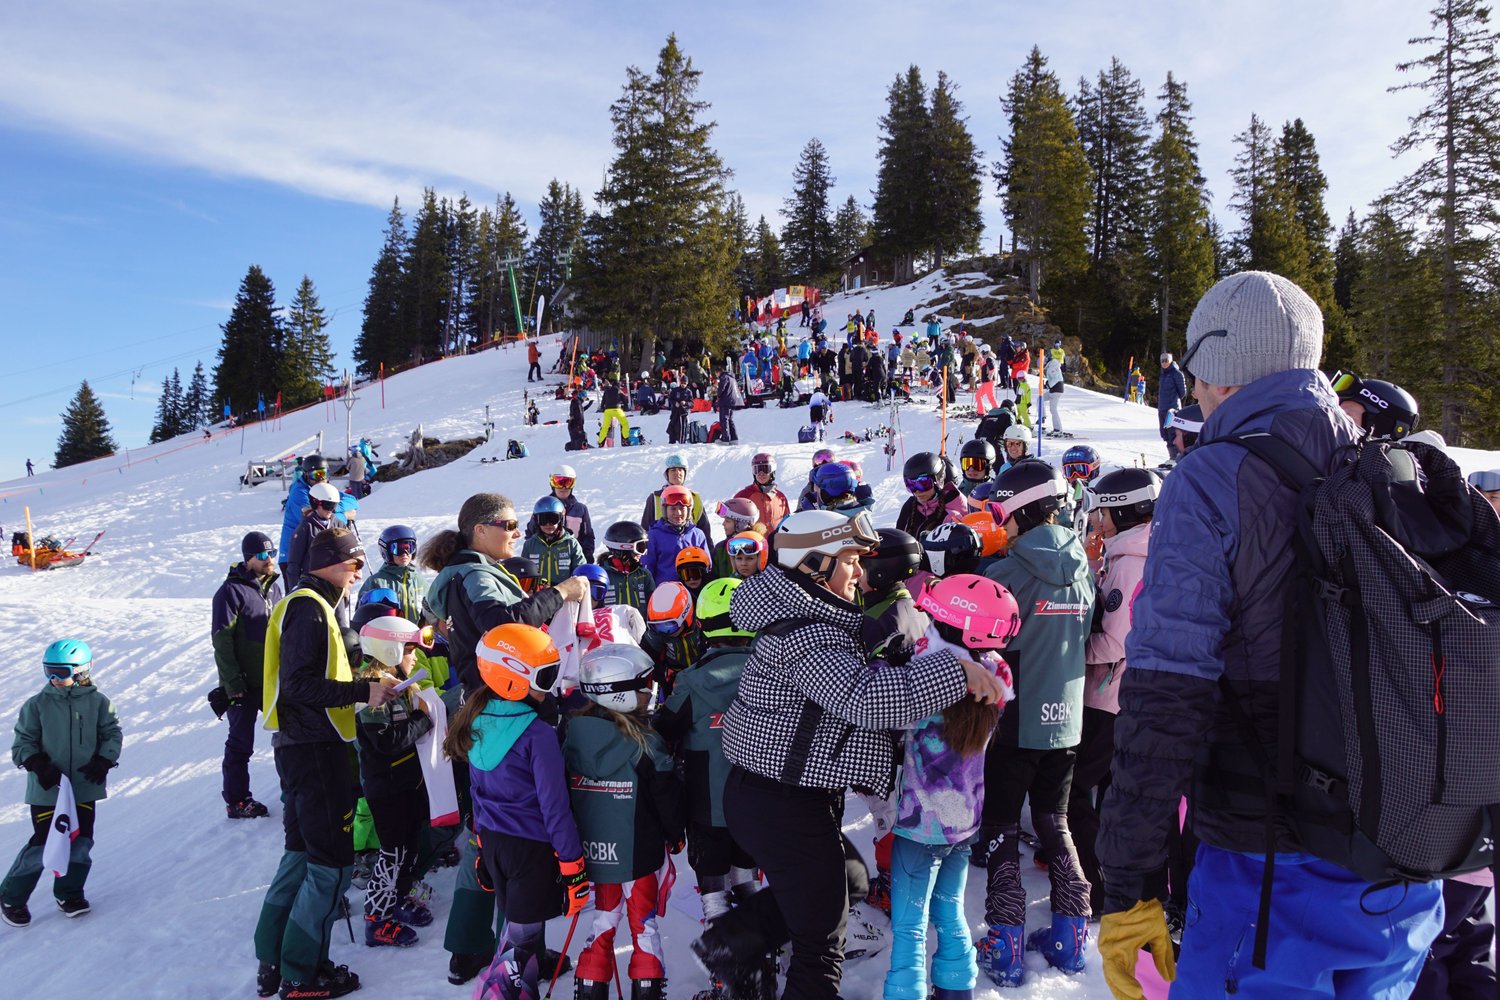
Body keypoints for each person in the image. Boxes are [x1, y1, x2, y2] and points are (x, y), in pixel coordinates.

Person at [1095, 271, 1444, 999]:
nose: (1190, 392)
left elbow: (1165, 697)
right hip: (1402, 872)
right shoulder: (1390, 469)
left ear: (1221, 371)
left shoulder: (1209, 480)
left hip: (1268, 874)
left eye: (1194, 373)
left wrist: (1127, 886)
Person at [692, 510, 1007, 1000]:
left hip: (782, 795)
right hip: (781, 801)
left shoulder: (815, 617)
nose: (861, 573)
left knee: (850, 879)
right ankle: (764, 967)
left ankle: (731, 949)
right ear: (814, 565)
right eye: (851, 562)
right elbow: (864, 698)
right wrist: (956, 673)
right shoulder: (807, 634)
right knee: (821, 941)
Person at [252, 526, 397, 999]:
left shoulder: (310, 605)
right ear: (332, 562)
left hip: (303, 748)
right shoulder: (310, 608)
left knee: (299, 858)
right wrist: (363, 690)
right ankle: (302, 972)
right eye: (354, 564)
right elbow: (298, 684)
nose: (357, 574)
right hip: (317, 750)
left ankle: (274, 959)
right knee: (329, 864)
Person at [976, 460, 1095, 986]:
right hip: (1067, 717)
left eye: (1001, 510)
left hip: (1016, 716)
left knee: (1002, 827)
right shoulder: (1085, 565)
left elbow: (982, 643)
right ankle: (1071, 934)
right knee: (1055, 820)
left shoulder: (1006, 573)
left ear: (1021, 508)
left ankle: (1005, 942)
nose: (1000, 521)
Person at [884, 576, 1019, 1000]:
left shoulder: (927, 671)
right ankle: (957, 992)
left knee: (909, 926)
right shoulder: (996, 670)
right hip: (962, 820)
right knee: (949, 911)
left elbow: (891, 708)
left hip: (919, 822)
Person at [445, 624, 589, 1000]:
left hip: (495, 844)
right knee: (518, 942)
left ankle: (533, 960)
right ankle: (512, 984)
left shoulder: (477, 719)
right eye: (545, 676)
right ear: (513, 679)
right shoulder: (537, 735)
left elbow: (477, 793)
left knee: (522, 917)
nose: (552, 685)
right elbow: (555, 808)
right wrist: (573, 865)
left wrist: (479, 844)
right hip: (531, 848)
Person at [565, 644, 685, 1000]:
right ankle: (647, 989)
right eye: (643, 685)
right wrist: (675, 834)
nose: (650, 691)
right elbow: (667, 801)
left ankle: (589, 986)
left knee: (603, 921)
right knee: (643, 924)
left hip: (592, 853)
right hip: (638, 854)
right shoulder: (646, 743)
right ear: (619, 694)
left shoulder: (570, 734)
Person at [1072, 468, 1158, 915]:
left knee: (1077, 794)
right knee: (1105, 790)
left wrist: (1070, 651)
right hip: (1122, 695)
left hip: (1109, 696)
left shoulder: (1131, 562)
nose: (1096, 517)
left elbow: (1116, 639)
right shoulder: (1132, 551)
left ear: (1124, 510)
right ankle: (1111, 882)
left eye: (1102, 509)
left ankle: (1095, 887)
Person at [1, 640, 121, 928]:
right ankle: (11, 896)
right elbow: (22, 743)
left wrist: (104, 760)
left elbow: (112, 734)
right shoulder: (37, 705)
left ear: (81, 672)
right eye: (48, 672)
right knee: (45, 844)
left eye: (60, 672)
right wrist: (38, 764)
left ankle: (69, 893)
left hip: (83, 787)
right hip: (47, 789)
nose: (53, 679)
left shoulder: (99, 703)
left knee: (80, 842)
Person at [421, 493, 587, 698]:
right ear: (480, 530)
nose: (517, 533)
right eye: (510, 525)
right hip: (499, 694)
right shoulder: (476, 576)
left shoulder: (468, 572)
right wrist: (560, 593)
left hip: (490, 692)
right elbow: (501, 624)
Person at [353, 616, 436, 948]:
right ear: (391, 649)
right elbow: (385, 740)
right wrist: (424, 719)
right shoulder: (372, 691)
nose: (414, 657)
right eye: (410, 650)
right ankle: (376, 920)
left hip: (407, 781)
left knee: (410, 845)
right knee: (392, 851)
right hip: (386, 787)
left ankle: (399, 898)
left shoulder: (399, 683)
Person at [212, 530, 284, 819]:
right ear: (249, 558)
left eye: (273, 553)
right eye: (264, 555)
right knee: (241, 744)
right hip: (241, 684)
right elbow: (221, 640)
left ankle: (293, 788)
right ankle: (237, 800)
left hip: (271, 680)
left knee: (288, 734)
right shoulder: (230, 592)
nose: (270, 560)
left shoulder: (276, 587)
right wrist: (232, 682)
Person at [644, 485, 711, 587]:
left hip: (693, 592)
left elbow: (708, 566)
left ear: (689, 510)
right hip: (665, 592)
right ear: (665, 510)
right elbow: (647, 569)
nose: (678, 513)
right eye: (673, 509)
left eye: (682, 508)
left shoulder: (697, 535)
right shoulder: (654, 535)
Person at [640, 455, 713, 542]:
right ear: (666, 474)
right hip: (662, 550)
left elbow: (705, 532)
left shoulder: (694, 498)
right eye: (673, 470)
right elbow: (645, 530)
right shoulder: (655, 499)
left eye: (681, 469)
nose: (677, 473)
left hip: (689, 551)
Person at [278, 454, 329, 579]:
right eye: (316, 475)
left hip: (310, 553)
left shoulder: (323, 489)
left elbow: (351, 500)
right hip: (293, 557)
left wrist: (338, 510)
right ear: (306, 475)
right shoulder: (299, 492)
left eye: (323, 473)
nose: (320, 479)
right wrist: (344, 513)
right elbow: (315, 518)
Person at [358, 524, 423, 622]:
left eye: (409, 548)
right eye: (398, 549)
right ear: (387, 551)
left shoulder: (420, 582)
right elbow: (362, 615)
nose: (405, 553)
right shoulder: (376, 582)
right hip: (387, 634)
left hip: (416, 635)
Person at [896, 452, 966, 539]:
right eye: (911, 485)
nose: (917, 491)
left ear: (938, 480)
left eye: (923, 484)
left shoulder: (952, 515)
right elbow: (898, 538)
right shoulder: (910, 506)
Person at [285, 481, 343, 586]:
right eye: (328, 505)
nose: (331, 510)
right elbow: (294, 564)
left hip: (335, 583)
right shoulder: (305, 528)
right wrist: (294, 590)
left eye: (334, 506)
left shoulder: (338, 524)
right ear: (316, 503)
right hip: (312, 584)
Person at [521, 496, 587, 587]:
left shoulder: (571, 544)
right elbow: (523, 573)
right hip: (538, 597)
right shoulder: (530, 545)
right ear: (536, 521)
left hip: (564, 595)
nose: (548, 524)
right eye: (543, 520)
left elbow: (581, 573)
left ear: (561, 519)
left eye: (553, 519)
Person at [599, 521, 655, 614]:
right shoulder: (602, 576)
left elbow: (652, 605)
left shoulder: (644, 575)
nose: (643, 553)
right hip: (613, 627)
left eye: (645, 546)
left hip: (641, 627)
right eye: (640, 547)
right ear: (623, 547)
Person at [710, 498, 758, 578]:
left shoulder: (757, 546)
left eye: (728, 521)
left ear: (741, 524)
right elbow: (713, 576)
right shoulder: (721, 548)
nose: (723, 524)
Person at [1157, 353, 1187, 459]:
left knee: (1172, 433)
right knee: (1164, 432)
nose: (1164, 363)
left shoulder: (1176, 373)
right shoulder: (1163, 375)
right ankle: (1171, 457)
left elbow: (1182, 392)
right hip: (1162, 408)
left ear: (1170, 361)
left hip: (1172, 409)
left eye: (1166, 360)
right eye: (1162, 361)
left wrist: (1173, 402)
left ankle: (1176, 456)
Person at [598, 379, 630, 447]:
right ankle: (625, 439)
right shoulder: (619, 391)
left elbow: (602, 402)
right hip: (617, 409)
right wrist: (625, 408)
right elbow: (625, 402)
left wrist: (604, 409)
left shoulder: (606, 391)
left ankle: (600, 442)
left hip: (607, 411)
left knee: (605, 427)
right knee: (625, 424)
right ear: (618, 385)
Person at [1043, 350, 1066, 435]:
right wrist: (1046, 384)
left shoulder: (1053, 365)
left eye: (1044, 358)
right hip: (1053, 389)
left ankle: (1058, 429)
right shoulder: (1050, 365)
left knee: (1053, 409)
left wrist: (1048, 385)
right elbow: (1052, 379)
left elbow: (1056, 379)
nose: (1043, 360)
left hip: (1057, 389)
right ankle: (1042, 416)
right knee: (1040, 398)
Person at [716, 368, 741, 443]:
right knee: (730, 420)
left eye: (716, 374)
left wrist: (717, 392)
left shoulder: (724, 377)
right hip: (733, 400)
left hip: (726, 401)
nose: (716, 376)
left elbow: (721, 389)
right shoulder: (732, 378)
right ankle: (734, 438)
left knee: (724, 420)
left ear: (718, 372)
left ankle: (725, 438)